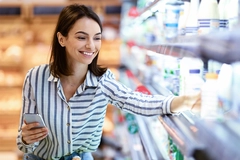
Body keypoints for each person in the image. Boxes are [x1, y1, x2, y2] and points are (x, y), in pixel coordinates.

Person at [16, 3, 201, 160]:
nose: (91, 45)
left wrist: (184, 101)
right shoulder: (35, 78)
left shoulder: (102, 82)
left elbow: (137, 101)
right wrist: (26, 139)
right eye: (82, 37)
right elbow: (23, 142)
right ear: (61, 39)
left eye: (97, 38)